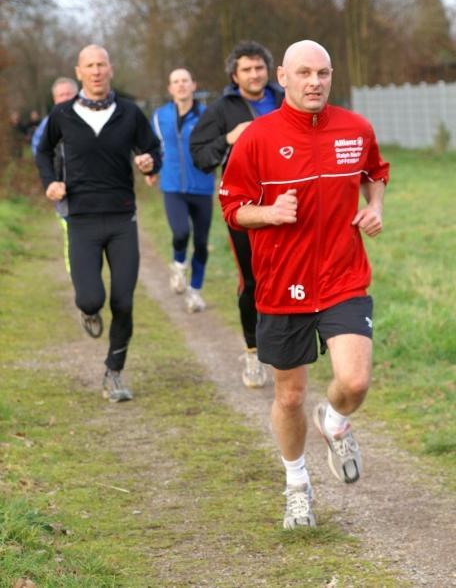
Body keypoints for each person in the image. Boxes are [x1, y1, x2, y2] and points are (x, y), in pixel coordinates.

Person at [219, 40, 390, 529]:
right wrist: (269, 212)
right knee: (290, 397)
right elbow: (232, 207)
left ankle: (334, 421)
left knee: (354, 381)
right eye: (304, 74)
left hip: (342, 276)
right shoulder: (258, 138)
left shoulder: (355, 129)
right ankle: (297, 483)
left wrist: (374, 207)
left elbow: (374, 172)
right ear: (283, 78)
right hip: (282, 284)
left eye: (323, 73)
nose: (315, 82)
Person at [36, 44, 161, 403]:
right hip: (81, 219)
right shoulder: (62, 114)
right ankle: (88, 310)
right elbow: (43, 151)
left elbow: (152, 148)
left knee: (123, 301)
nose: (96, 71)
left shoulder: (129, 113)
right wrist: (50, 182)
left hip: (122, 216)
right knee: (91, 297)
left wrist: (151, 163)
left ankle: (114, 372)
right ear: (79, 72)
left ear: (110, 69)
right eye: (89, 66)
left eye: (101, 65)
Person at [190, 40, 284, 388]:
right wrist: (230, 137)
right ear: (235, 74)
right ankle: (253, 352)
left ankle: (288, 347)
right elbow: (199, 155)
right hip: (245, 205)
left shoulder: (286, 100)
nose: (255, 74)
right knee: (253, 280)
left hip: (290, 201)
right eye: (247, 69)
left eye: (259, 67)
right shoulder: (221, 109)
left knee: (291, 274)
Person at [149, 68, 214, 313]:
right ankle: (178, 264)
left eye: (185, 81)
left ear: (193, 85)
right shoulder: (159, 116)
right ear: (170, 88)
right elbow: (152, 148)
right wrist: (151, 170)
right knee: (180, 232)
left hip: (202, 186)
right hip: (172, 185)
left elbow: (218, 146)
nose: (181, 85)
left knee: (200, 242)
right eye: (175, 81)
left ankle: (195, 293)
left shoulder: (207, 115)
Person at [32, 77, 79, 274]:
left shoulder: (89, 120)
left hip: (91, 190)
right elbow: (39, 153)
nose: (65, 98)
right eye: (61, 95)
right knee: (72, 233)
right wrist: (51, 182)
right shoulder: (46, 126)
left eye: (69, 94)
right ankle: (76, 275)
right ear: (54, 99)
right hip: (63, 191)